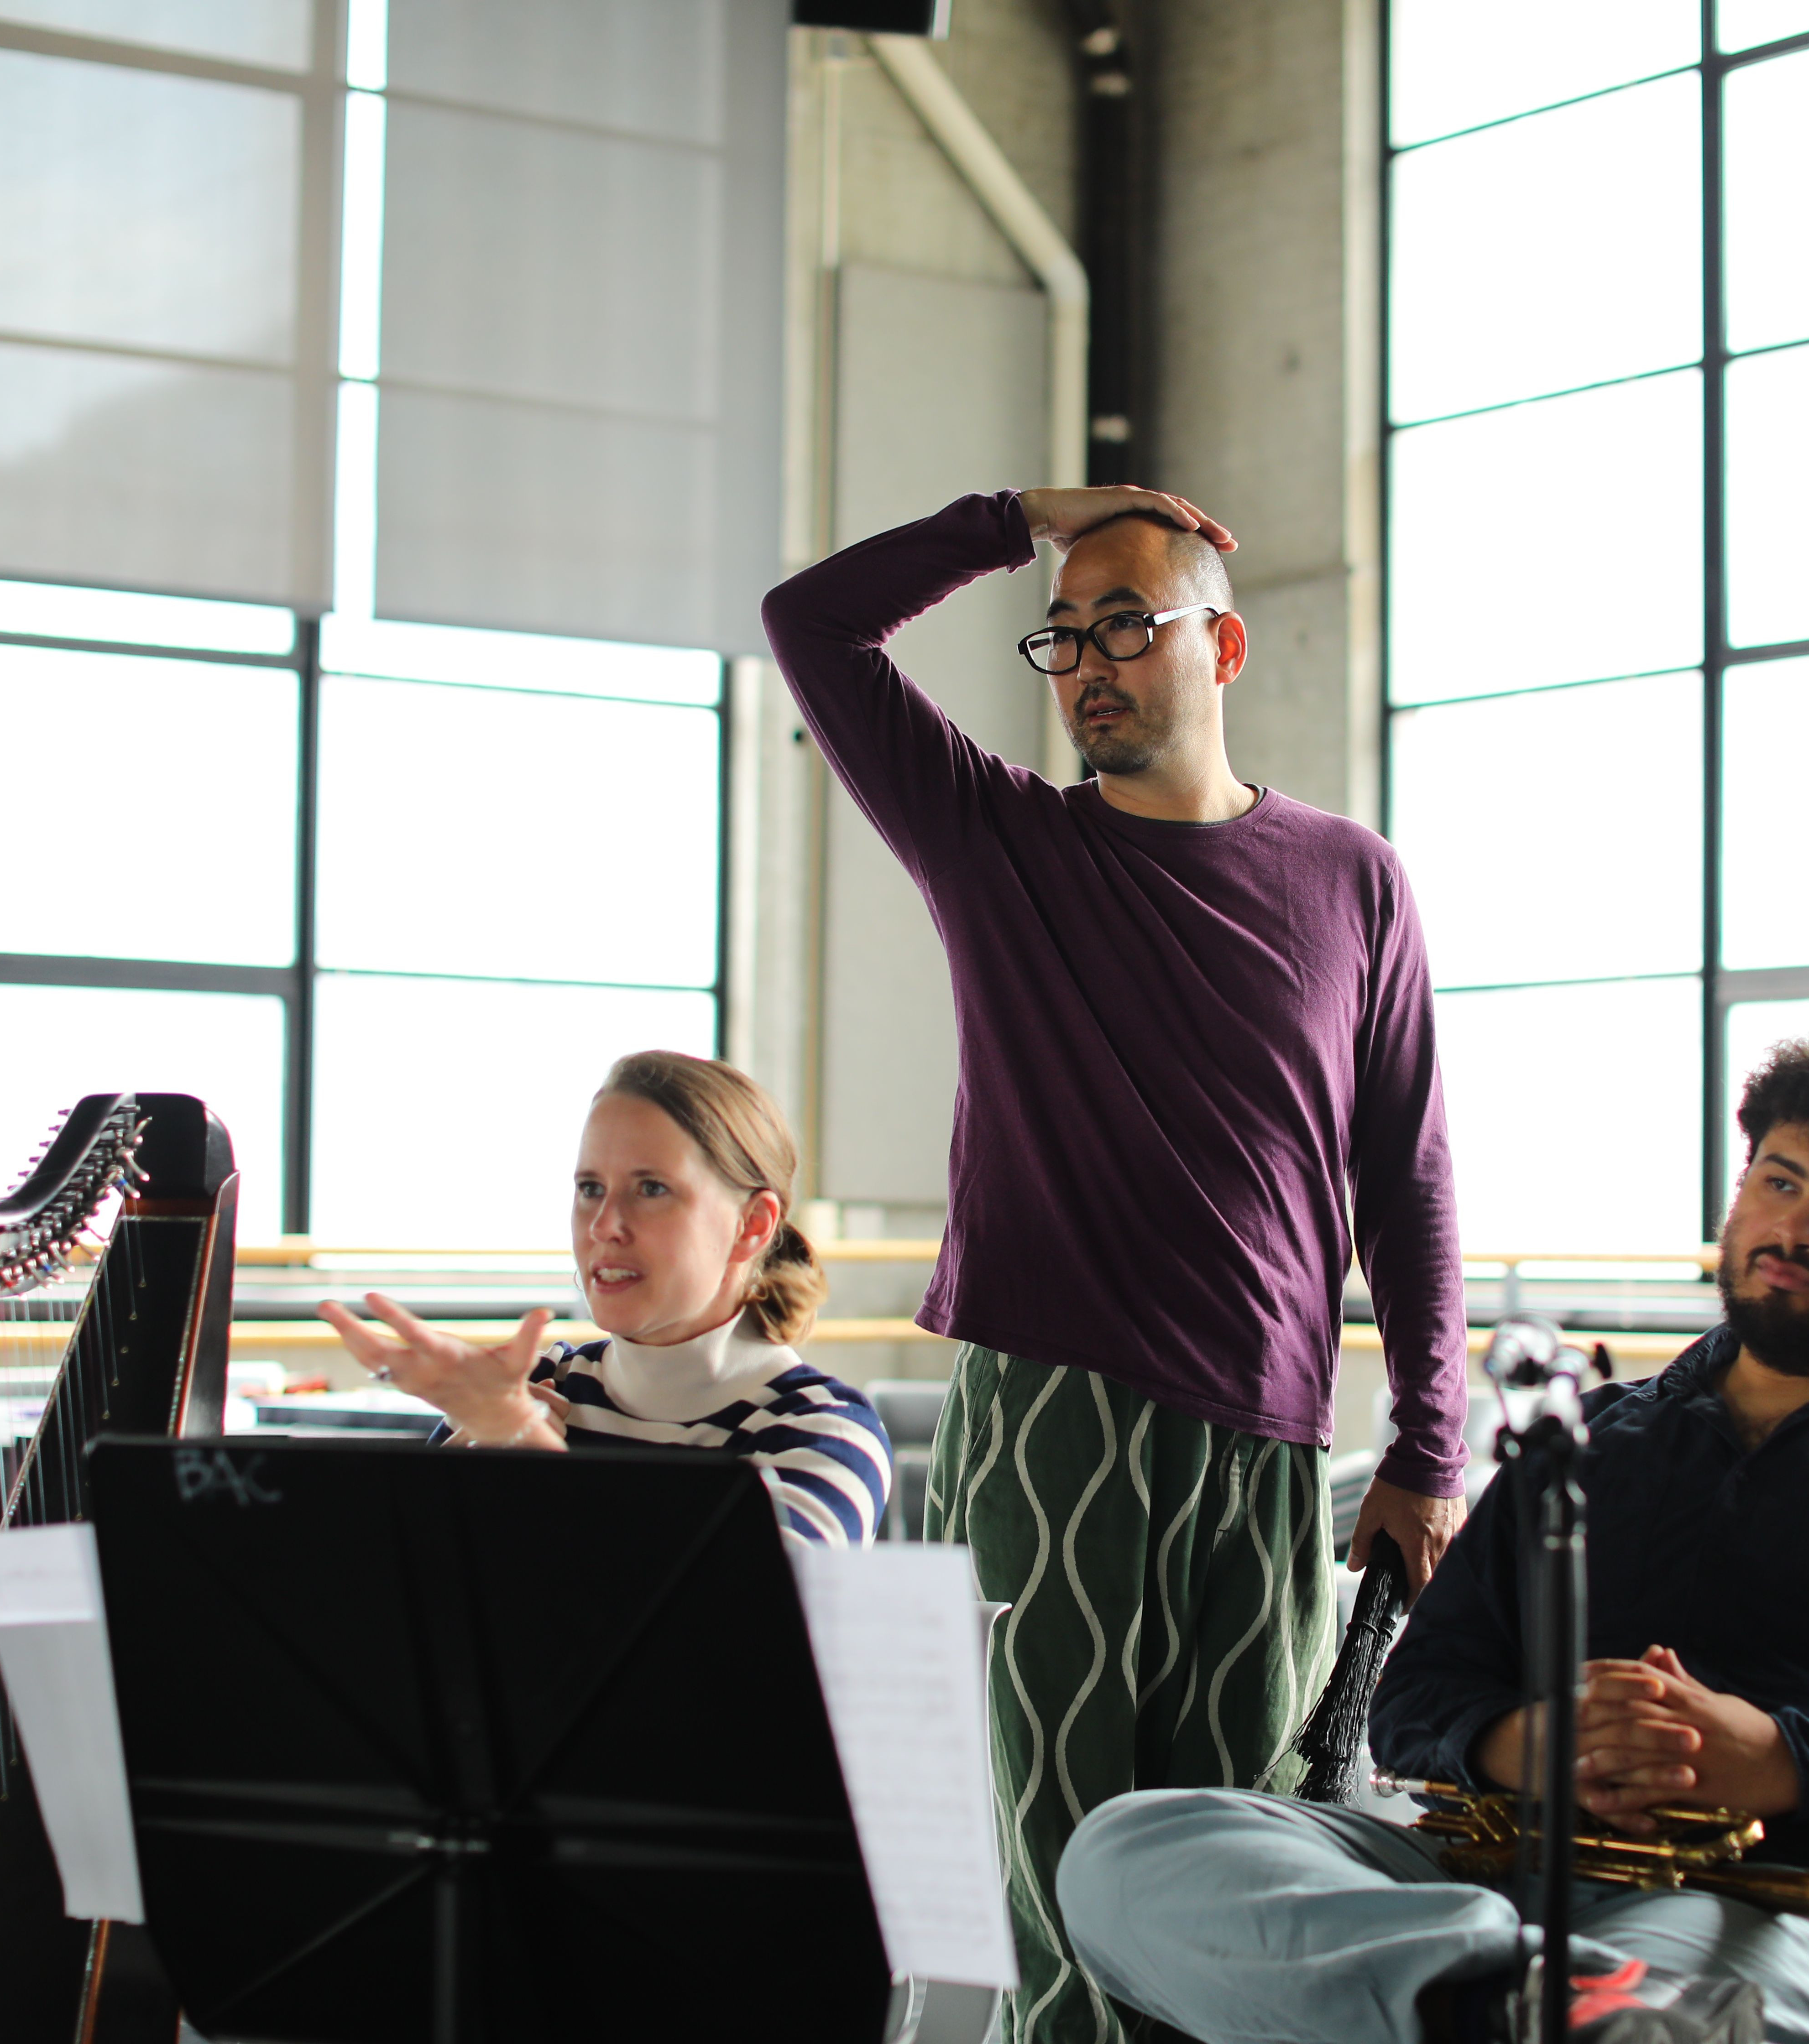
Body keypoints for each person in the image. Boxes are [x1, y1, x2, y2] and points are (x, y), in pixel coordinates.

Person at [1056, 1017, 1809, 2044]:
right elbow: (1419, 1697)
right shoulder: (1583, 1437)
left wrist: (1784, 1760)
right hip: (1503, 1887)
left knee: (1661, 1979)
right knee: (1131, 1850)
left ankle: (1541, 2004)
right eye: (1779, 1181)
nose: (1795, 1225)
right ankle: (1512, 2002)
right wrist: (1526, 1745)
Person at [762, 486, 1473, 2041]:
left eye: (1126, 628)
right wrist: (1015, 518)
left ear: (1218, 642)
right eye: (1063, 635)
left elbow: (1405, 1173)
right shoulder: (996, 842)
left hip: (1271, 1446)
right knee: (1066, 1873)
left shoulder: (1354, 879)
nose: (1085, 663)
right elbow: (808, 623)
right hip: (1050, 1420)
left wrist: (1432, 1444)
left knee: (1248, 1881)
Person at [316, 1050, 891, 1549]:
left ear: (753, 1224)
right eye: (590, 1188)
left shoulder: (824, 1430)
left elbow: (728, 1630)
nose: (605, 1225)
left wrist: (531, 1453)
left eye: (652, 1189)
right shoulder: (537, 1385)